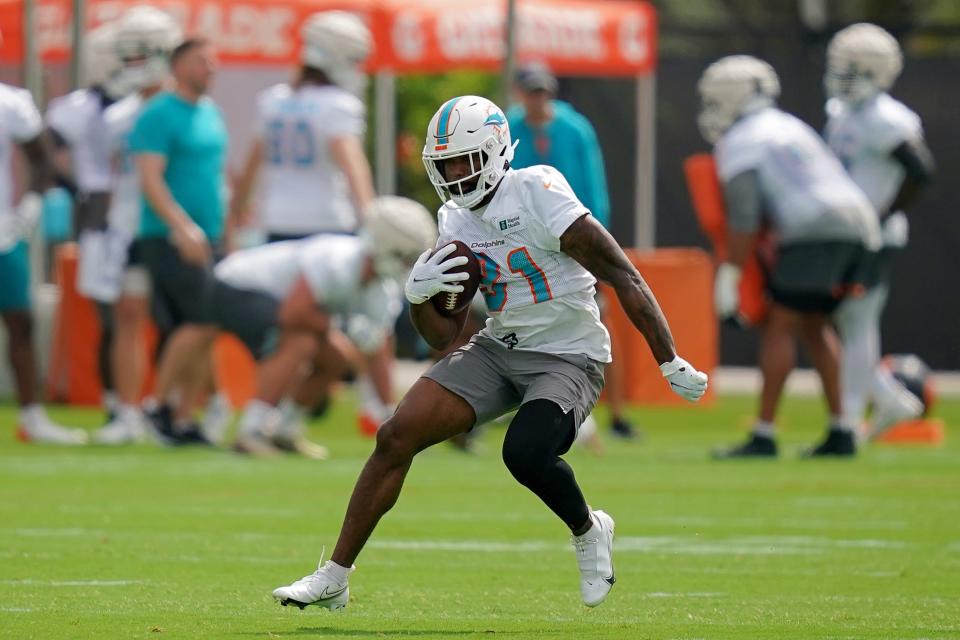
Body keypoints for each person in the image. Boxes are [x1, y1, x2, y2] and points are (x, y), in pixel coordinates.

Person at [272, 95, 708, 610]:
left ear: (497, 150)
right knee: (396, 434)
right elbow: (441, 335)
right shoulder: (454, 220)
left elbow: (621, 272)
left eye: (464, 160)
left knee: (524, 452)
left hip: (568, 353)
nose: (455, 175)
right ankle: (335, 577)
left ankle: (589, 528)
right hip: (499, 346)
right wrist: (418, 298)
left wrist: (668, 357)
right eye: (445, 164)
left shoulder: (537, 190)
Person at [699, 56, 881, 459]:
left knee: (781, 324)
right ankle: (842, 428)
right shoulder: (790, 125)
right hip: (860, 224)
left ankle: (763, 433)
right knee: (814, 324)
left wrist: (729, 275)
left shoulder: (741, 140)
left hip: (814, 229)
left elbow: (744, 215)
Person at [229, 11, 392, 438]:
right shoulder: (337, 106)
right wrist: (373, 218)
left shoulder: (274, 100)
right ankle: (359, 409)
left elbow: (250, 169)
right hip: (327, 230)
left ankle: (278, 418)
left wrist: (234, 221)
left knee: (297, 338)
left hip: (278, 226)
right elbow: (350, 163)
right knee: (334, 334)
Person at [213, 196, 436, 457]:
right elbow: (293, 313)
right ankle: (251, 431)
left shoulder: (381, 290)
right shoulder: (339, 260)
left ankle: (284, 429)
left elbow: (378, 350)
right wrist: (343, 327)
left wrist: (390, 416)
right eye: (407, 257)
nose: (408, 266)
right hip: (235, 285)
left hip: (270, 302)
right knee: (302, 342)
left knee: (337, 357)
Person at [506, 62, 637, 440]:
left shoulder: (576, 129)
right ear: (520, 93)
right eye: (533, 92)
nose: (540, 100)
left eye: (545, 92)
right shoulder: (510, 128)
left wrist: (597, 246)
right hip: (526, 241)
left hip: (574, 234)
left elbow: (595, 189)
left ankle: (617, 414)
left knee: (601, 319)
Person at [823, 23, 936, 440]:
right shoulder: (843, 112)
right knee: (837, 321)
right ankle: (885, 396)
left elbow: (921, 170)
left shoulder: (889, 118)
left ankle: (853, 418)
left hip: (872, 235)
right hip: (847, 231)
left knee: (855, 321)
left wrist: (884, 214)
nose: (839, 74)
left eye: (849, 66)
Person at [128, 36, 229, 444]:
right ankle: (156, 406)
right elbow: (149, 178)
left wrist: (228, 229)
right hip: (170, 237)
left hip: (210, 236)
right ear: (179, 65)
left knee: (202, 325)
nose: (211, 68)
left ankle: (185, 418)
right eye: (202, 61)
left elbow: (215, 177)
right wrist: (181, 226)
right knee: (202, 320)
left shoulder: (209, 112)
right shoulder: (158, 114)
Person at [91, 6, 183, 444]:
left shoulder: (185, 108)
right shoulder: (117, 115)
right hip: (130, 226)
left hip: (173, 226)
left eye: (140, 54)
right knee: (128, 316)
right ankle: (128, 411)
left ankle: (180, 409)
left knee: (187, 322)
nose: (132, 65)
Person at [45, 21, 126, 421]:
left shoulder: (147, 105)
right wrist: (77, 186)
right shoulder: (78, 108)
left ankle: (145, 406)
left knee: (155, 313)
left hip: (137, 209)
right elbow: (47, 150)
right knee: (110, 315)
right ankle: (116, 404)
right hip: (97, 209)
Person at [0, 82, 86, 444]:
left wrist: (31, 204)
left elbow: (41, 157)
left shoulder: (10, 102)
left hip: (2, 230)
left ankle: (32, 417)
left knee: (22, 320)